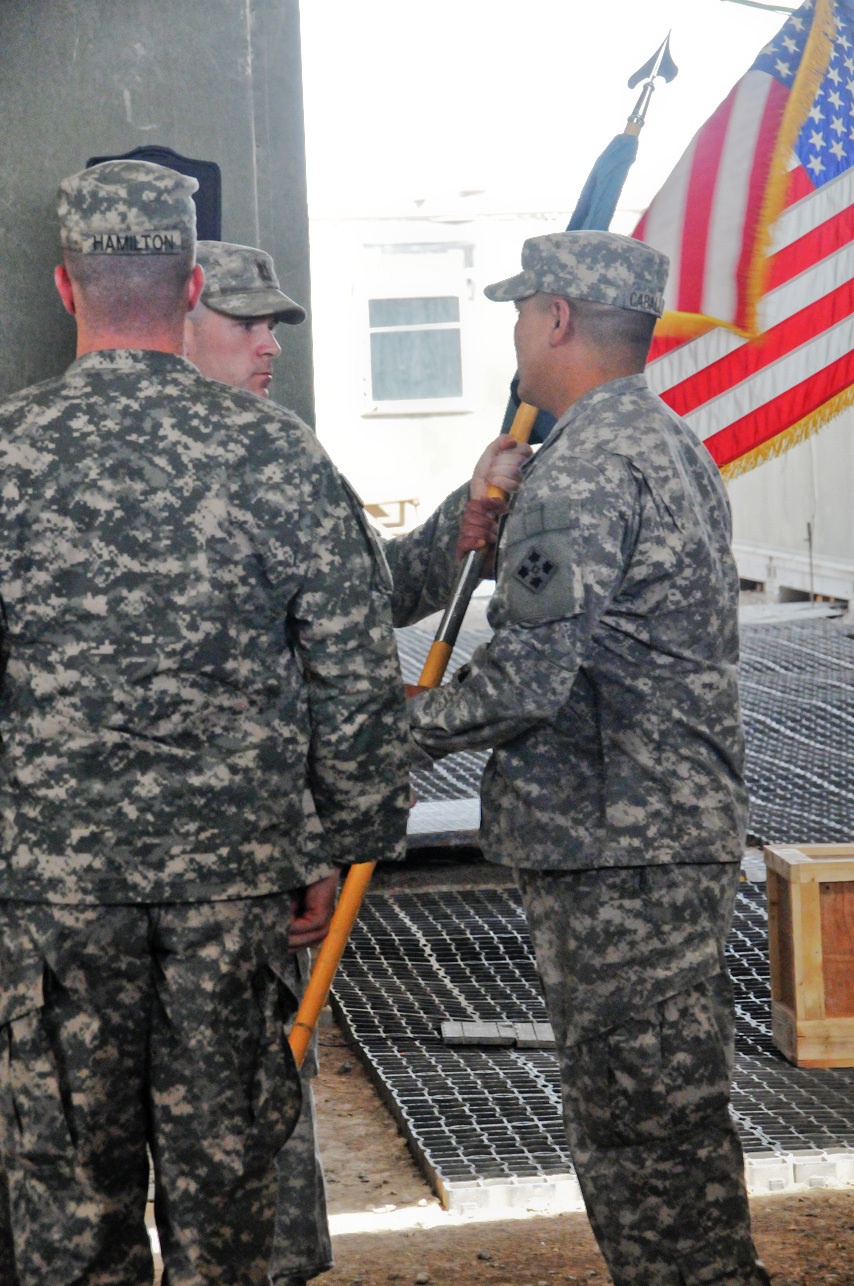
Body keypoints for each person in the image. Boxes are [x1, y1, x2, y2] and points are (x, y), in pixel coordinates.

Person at [0, 161, 410, 1286]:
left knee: (67, 1195)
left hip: (50, 900)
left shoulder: (7, 454)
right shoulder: (276, 453)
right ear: (190, 284)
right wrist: (343, 838)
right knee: (226, 1198)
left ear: (64, 284)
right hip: (238, 896)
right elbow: (356, 670)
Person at [407, 230, 771, 1286]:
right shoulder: (665, 443)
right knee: (672, 1120)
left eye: (523, 312)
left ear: (555, 318)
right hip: (659, 838)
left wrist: (380, 731)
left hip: (614, 854)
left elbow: (524, 682)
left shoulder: (581, 471)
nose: (516, 335)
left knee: (638, 1135)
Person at [184, 238, 529, 1286]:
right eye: (245, 322)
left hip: (249, 868)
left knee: (257, 1127)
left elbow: (361, 594)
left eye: (277, 326)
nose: (267, 345)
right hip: (158, 869)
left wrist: (462, 523)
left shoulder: (284, 456)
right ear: (178, 313)